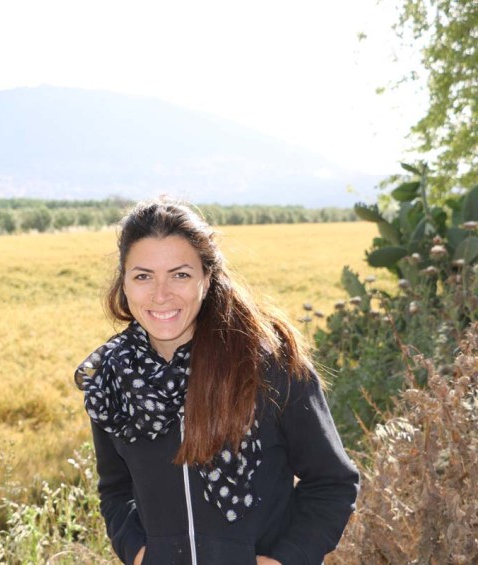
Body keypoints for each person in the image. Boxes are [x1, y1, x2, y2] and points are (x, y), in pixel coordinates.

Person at [75, 200, 359, 565]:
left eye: (180, 275)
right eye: (143, 276)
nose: (161, 294)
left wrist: (284, 559)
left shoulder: (267, 364)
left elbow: (332, 481)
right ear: (125, 284)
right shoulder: (112, 378)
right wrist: (140, 553)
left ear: (206, 279)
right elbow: (115, 490)